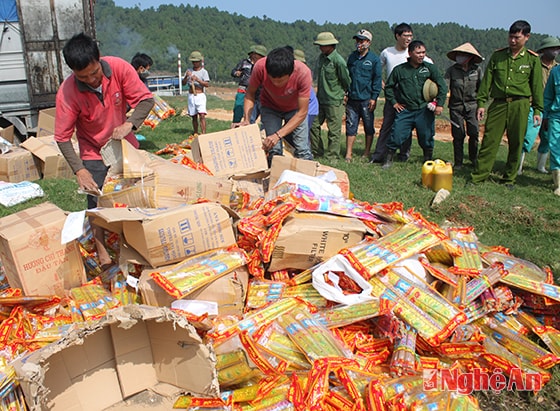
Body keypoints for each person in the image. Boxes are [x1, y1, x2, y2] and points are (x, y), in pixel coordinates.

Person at [54, 32, 154, 268]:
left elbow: (146, 100)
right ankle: (102, 252)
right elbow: (62, 137)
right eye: (83, 77)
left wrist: (129, 124)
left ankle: (135, 245)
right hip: (93, 152)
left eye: (94, 73)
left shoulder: (119, 68)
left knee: (135, 198)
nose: (91, 80)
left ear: (99, 58)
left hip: (125, 146)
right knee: (96, 205)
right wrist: (80, 170)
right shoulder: (68, 93)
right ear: (73, 72)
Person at [470, 20, 543, 188]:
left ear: (527, 37)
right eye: (510, 37)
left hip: (521, 104)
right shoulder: (498, 56)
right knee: (489, 140)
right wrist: (481, 103)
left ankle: (509, 178)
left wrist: (538, 110)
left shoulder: (532, 60)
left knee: (516, 142)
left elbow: (537, 87)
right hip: (499, 104)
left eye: (517, 37)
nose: (512, 41)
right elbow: (487, 82)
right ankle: (479, 176)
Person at [241, 46, 313, 165]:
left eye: (280, 81)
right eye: (272, 79)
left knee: (302, 149)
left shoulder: (303, 73)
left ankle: (306, 179)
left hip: (295, 110)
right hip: (270, 107)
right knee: (274, 149)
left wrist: (278, 135)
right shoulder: (260, 67)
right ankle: (273, 178)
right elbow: (250, 94)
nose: (276, 83)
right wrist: (247, 119)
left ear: (290, 73)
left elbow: (302, 112)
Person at [383, 40, 447, 169]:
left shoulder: (429, 68)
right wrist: (394, 103)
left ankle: (427, 160)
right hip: (406, 110)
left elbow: (442, 86)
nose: (421, 55)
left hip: (424, 110)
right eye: (418, 53)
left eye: (423, 52)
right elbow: (389, 87)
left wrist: (439, 104)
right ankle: (388, 160)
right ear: (410, 53)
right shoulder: (400, 70)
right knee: (397, 135)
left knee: (426, 136)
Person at [371, 23, 426, 163]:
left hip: (409, 95)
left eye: (410, 36)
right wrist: (383, 85)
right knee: (387, 124)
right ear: (397, 36)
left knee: (406, 126)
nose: (408, 39)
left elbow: (429, 67)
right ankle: (379, 155)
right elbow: (376, 70)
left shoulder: (414, 52)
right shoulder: (387, 52)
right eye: (405, 36)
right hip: (392, 93)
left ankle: (403, 154)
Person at [518, 36, 560, 175]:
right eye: (552, 48)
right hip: (534, 105)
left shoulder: (557, 68)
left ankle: (541, 166)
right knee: (529, 136)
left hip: (551, 108)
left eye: (556, 48)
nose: (555, 51)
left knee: (547, 138)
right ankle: (518, 167)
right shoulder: (534, 64)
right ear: (544, 50)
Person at [309, 32, 351, 159]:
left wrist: (342, 94)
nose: (320, 48)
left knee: (334, 130)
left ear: (330, 46)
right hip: (320, 99)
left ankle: (332, 156)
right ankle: (317, 151)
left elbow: (346, 80)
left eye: (322, 45)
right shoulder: (321, 58)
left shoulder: (338, 61)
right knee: (313, 125)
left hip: (334, 100)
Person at [345, 29, 382, 162]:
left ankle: (366, 152)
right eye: (357, 40)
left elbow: (377, 79)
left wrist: (374, 97)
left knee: (368, 125)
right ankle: (348, 153)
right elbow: (347, 76)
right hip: (352, 99)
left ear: (368, 43)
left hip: (367, 99)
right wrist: (346, 92)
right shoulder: (352, 57)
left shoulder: (374, 60)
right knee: (350, 125)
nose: (359, 43)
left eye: (362, 41)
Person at [444, 42, 484, 169]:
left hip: (472, 106)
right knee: (458, 134)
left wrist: (481, 105)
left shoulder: (477, 70)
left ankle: (473, 159)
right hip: (456, 107)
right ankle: (459, 162)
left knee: (474, 132)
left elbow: (482, 89)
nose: (460, 57)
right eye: (459, 55)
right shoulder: (451, 70)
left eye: (463, 55)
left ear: (470, 57)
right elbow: (445, 86)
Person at [231, 45, 267, 125]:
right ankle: (235, 125)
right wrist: (236, 73)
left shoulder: (263, 65)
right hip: (243, 88)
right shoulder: (244, 62)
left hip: (258, 91)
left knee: (253, 112)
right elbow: (233, 71)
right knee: (239, 107)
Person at [294, 49, 319, 145]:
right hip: (304, 107)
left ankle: (307, 155)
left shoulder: (304, 72)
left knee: (303, 133)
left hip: (309, 108)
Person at [182, 50, 210, 135]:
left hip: (200, 94)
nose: (195, 63)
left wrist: (198, 80)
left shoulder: (204, 72)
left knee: (201, 115)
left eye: (196, 62)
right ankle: (195, 132)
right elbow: (183, 83)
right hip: (191, 94)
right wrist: (186, 76)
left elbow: (207, 84)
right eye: (193, 62)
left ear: (200, 62)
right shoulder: (189, 71)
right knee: (193, 115)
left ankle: (203, 133)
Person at [543, 64, 560, 195]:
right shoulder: (555, 72)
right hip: (556, 116)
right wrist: (545, 116)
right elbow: (548, 96)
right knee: (554, 147)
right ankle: (558, 184)